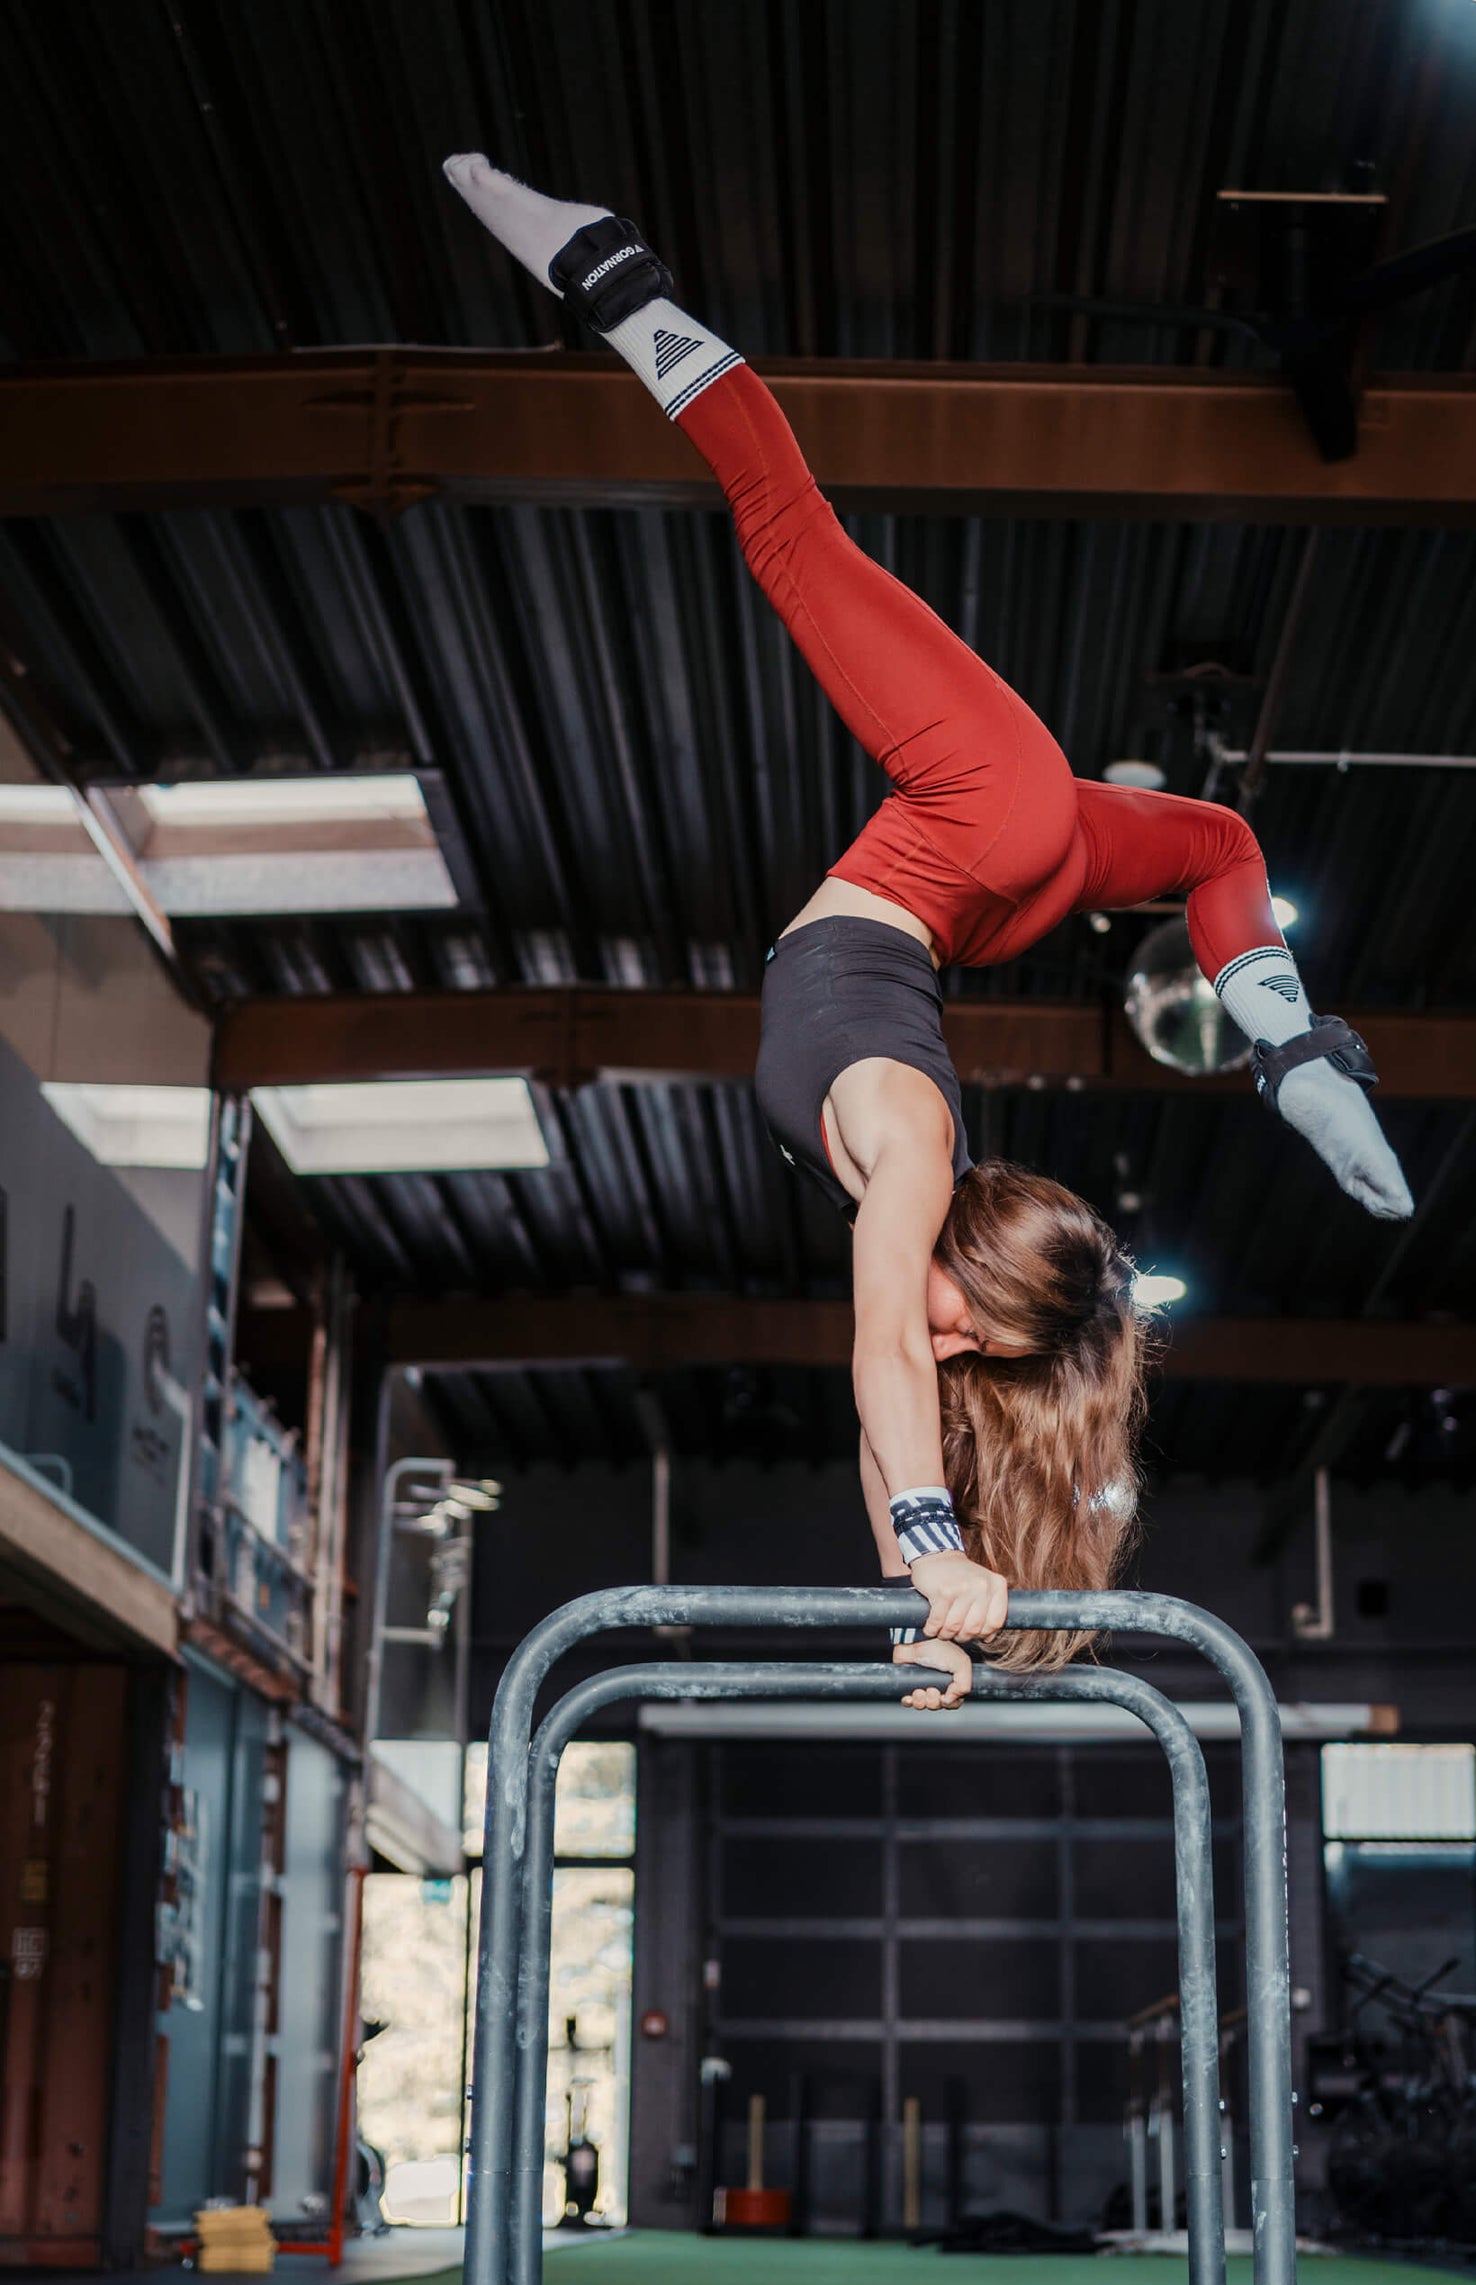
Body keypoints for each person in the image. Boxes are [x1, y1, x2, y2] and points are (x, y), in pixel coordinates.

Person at [443, 157, 1414, 1707]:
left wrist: (929, 1601)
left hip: (991, 895)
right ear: (965, 1257)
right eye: (971, 1324)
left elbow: (891, 1391)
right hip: (978, 820)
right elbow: (884, 1363)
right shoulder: (912, 1148)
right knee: (785, 525)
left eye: (967, 1348)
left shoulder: (916, 1215)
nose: (946, 1342)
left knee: (1221, 840)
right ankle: (608, 274)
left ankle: (1291, 1045)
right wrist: (925, 1525)